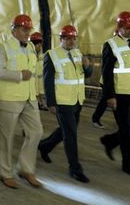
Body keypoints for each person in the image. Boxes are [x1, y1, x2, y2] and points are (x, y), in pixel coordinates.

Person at [0, 14, 43, 189]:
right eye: (24, 29)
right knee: (7, 138)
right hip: (9, 98)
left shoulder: (30, 46)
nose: (27, 33)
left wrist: (38, 92)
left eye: (29, 29)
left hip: (29, 97)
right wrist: (20, 75)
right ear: (14, 29)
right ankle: (5, 173)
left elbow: (34, 72)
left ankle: (26, 169)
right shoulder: (3, 47)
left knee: (36, 132)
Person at [38, 25, 92, 183]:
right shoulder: (52, 55)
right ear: (61, 39)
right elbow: (47, 81)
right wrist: (51, 103)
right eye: (67, 38)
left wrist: (87, 66)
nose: (71, 41)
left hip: (76, 100)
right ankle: (75, 168)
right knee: (71, 134)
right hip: (62, 102)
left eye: (73, 38)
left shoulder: (77, 53)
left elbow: (86, 74)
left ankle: (44, 146)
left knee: (65, 130)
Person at [99, 11, 130, 178]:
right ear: (119, 27)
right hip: (121, 95)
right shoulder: (110, 45)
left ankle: (110, 141)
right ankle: (128, 164)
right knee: (125, 130)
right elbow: (106, 73)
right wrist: (109, 96)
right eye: (127, 28)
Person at [30, 32, 48, 111]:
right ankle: (39, 104)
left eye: (40, 44)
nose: (40, 46)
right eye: (38, 44)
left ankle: (41, 104)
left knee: (40, 93)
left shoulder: (42, 55)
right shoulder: (29, 54)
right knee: (35, 93)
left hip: (40, 79)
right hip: (32, 79)